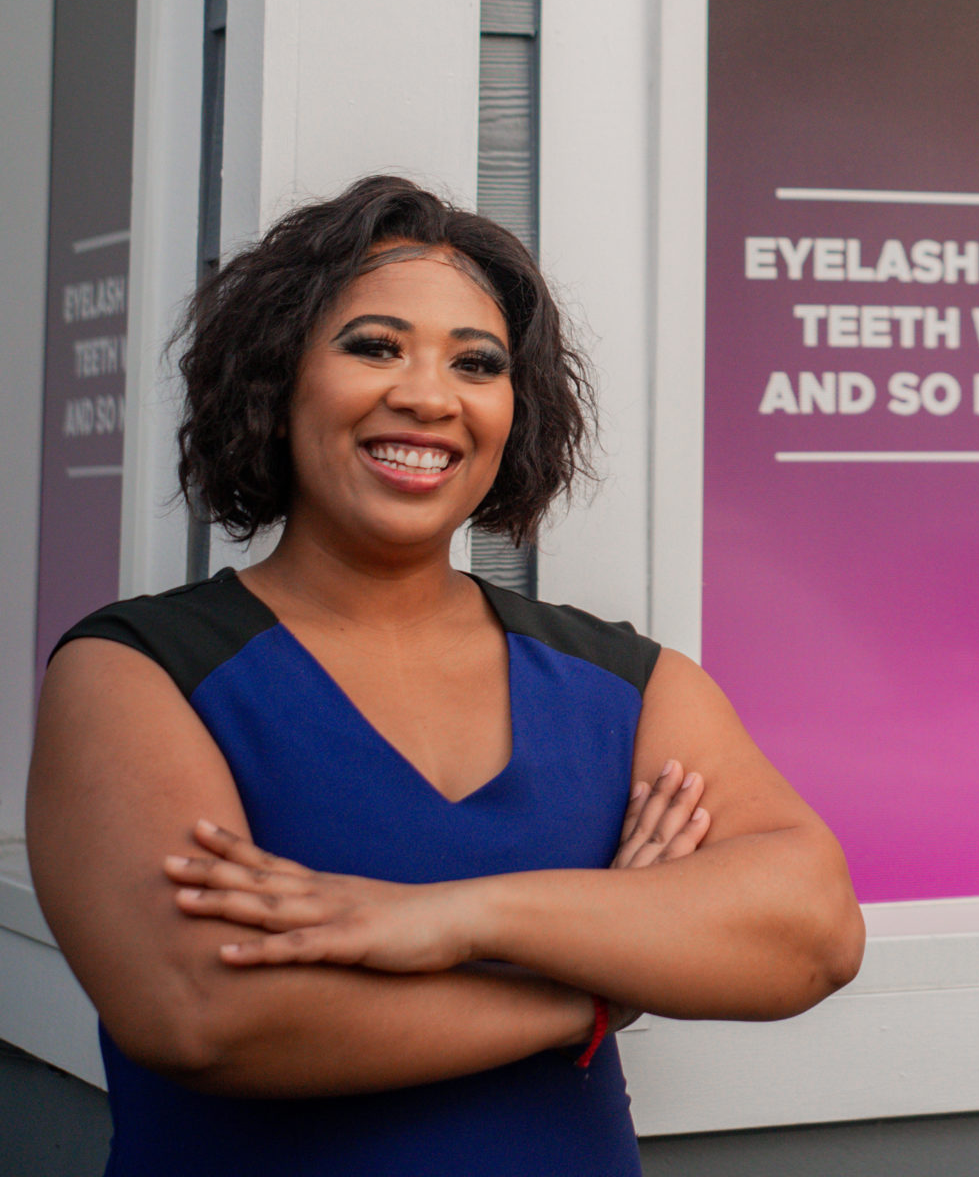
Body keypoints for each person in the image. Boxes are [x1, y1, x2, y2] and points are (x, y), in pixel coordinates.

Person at [27, 175, 864, 1175]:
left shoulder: (624, 684)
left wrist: (457, 917)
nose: (429, 396)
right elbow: (207, 1014)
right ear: (276, 381)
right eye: (374, 346)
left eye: (476, 363)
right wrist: (600, 984)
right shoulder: (139, 670)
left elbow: (813, 935)